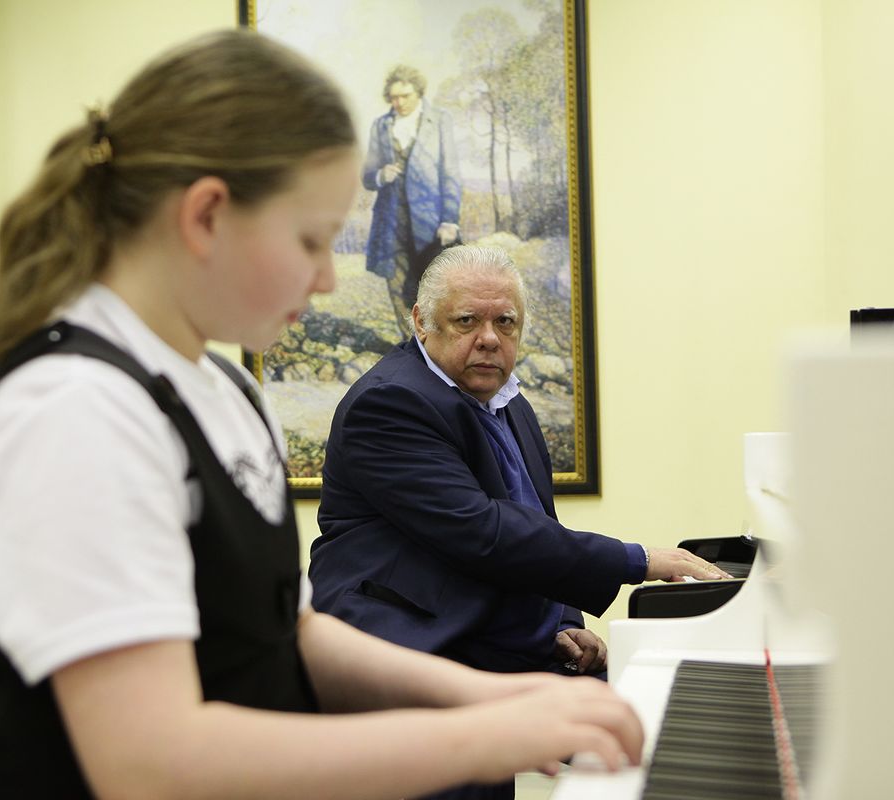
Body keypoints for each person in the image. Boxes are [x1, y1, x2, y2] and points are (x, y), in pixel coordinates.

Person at [0, 31, 643, 800]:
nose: (326, 279)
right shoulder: (76, 409)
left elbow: (289, 632)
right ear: (206, 216)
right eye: (311, 240)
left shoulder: (222, 390)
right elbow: (149, 765)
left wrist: (491, 696)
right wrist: (484, 736)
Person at [310, 244, 731, 798]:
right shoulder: (390, 403)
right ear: (421, 322)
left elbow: (535, 518)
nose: (489, 338)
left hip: (488, 647)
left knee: (666, 724)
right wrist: (638, 560)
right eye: (467, 321)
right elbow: (484, 532)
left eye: (505, 322)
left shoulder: (509, 403)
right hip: (411, 658)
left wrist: (562, 621)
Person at [364, 64, 462, 337]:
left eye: (405, 96)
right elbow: (367, 176)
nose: (399, 103)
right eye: (394, 97)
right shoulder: (381, 126)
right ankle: (411, 347)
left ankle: (438, 348)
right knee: (396, 286)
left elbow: (450, 173)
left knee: (432, 289)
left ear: (418, 92)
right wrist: (380, 175)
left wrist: (450, 219)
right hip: (390, 223)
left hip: (430, 224)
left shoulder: (440, 120)